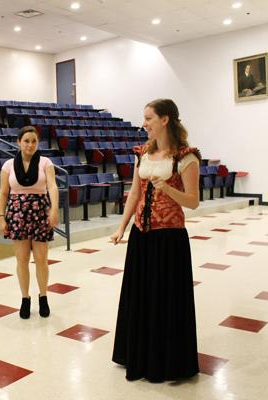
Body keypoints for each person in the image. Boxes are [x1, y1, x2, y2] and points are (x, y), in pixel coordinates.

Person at [110, 99, 200, 382]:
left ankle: (166, 359)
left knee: (165, 298)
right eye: (144, 118)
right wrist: (122, 227)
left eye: (148, 118)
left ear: (165, 120)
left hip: (169, 238)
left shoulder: (186, 157)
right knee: (142, 295)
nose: (144, 123)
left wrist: (168, 190)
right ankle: (139, 354)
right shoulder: (142, 154)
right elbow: (134, 195)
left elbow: (194, 202)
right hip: (142, 235)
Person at [0, 126, 59, 319]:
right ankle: (25, 298)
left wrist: (54, 209)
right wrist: (1, 217)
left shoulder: (45, 162)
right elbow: (3, 192)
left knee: (41, 259)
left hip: (40, 210)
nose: (30, 145)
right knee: (22, 259)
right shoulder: (7, 165)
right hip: (17, 213)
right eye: (26, 141)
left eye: (34, 141)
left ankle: (43, 297)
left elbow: (52, 186)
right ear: (18, 142)